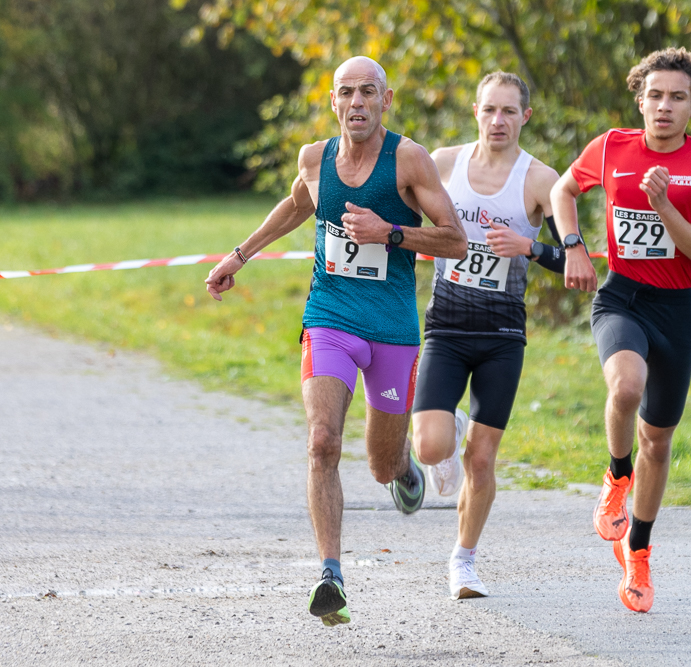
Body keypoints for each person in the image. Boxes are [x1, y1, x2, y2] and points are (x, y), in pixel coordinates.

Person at [204, 56, 467, 627]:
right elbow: (298, 205)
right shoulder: (315, 159)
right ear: (332, 102)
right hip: (329, 317)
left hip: (393, 328)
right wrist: (239, 255)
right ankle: (331, 574)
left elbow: (456, 241)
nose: (356, 103)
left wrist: (390, 232)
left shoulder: (409, 159)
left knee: (380, 463)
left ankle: (404, 469)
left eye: (367, 93)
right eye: (345, 92)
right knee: (322, 440)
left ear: (386, 100)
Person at [551, 48, 691, 613]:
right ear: (640, 99)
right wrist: (574, 246)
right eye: (655, 95)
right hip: (622, 297)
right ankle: (616, 475)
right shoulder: (610, 147)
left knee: (659, 438)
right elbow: (562, 191)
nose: (664, 106)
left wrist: (664, 207)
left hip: (674, 308)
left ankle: (640, 551)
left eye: (677, 97)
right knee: (625, 388)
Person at [410, 71, 564, 600]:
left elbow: (575, 258)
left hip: (502, 333)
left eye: (508, 111)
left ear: (525, 116)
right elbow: (405, 223)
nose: (497, 121)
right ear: (475, 111)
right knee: (431, 448)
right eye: (488, 110)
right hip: (446, 327)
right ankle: (447, 428)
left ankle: (464, 560)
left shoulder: (542, 180)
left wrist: (530, 247)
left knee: (483, 458)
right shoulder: (442, 164)